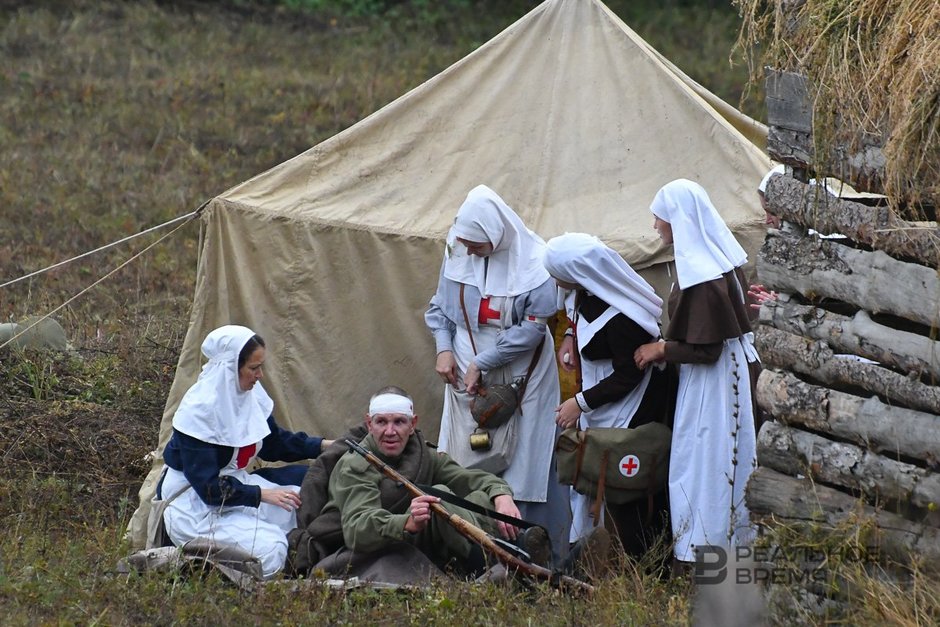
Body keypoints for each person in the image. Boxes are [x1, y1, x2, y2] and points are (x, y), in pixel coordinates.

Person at [424, 184, 570, 563]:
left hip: (523, 374)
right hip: (464, 371)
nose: (470, 253)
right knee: (465, 456)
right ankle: (465, 544)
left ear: (497, 235)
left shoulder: (536, 263)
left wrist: (482, 363)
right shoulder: (458, 251)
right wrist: (444, 349)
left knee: (523, 460)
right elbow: (440, 308)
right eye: (467, 245)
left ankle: (529, 547)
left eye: (478, 246)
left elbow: (534, 328)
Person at [633, 179, 759, 571]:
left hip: (715, 385)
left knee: (708, 463)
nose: (655, 226)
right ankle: (718, 552)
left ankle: (710, 555)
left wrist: (662, 349)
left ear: (679, 220)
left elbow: (707, 349)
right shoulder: (711, 263)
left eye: (660, 217)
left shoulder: (702, 277)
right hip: (720, 378)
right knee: (713, 463)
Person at [308, 386, 535, 584]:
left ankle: (511, 554)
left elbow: (471, 478)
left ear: (412, 423)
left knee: (479, 497)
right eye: (381, 422)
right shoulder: (356, 466)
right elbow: (358, 530)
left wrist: (501, 494)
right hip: (375, 545)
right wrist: (407, 522)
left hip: (420, 538)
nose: (390, 431)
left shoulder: (421, 454)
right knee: (440, 497)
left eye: (399, 421)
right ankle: (492, 565)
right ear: (369, 423)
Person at [156, 325, 332, 579]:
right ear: (230, 369)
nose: (260, 375)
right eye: (253, 368)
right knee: (272, 548)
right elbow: (209, 489)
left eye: (261, 366)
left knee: (298, 504)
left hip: (235, 485)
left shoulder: (248, 395)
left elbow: (274, 444)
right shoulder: (200, 413)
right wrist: (262, 494)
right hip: (193, 505)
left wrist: (324, 445)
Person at [543, 233, 674, 557]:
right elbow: (575, 311)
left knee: (624, 486)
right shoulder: (585, 291)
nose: (552, 280)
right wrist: (571, 336)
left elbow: (629, 374)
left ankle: (643, 563)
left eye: (555, 273)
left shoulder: (622, 319)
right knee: (596, 478)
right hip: (605, 403)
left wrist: (580, 403)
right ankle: (591, 557)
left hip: (631, 406)